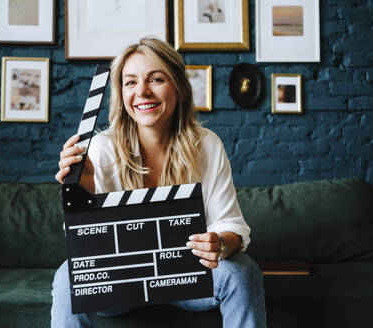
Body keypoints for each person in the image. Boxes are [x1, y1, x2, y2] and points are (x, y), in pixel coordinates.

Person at [52, 37, 266, 328]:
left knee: (242, 272)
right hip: (120, 280)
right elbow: (82, 245)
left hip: (188, 275)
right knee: (68, 274)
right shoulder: (100, 149)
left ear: (178, 87)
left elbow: (230, 225)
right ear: (120, 92)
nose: (142, 91)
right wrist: (83, 188)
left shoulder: (207, 145)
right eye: (130, 82)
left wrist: (219, 245)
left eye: (156, 79)